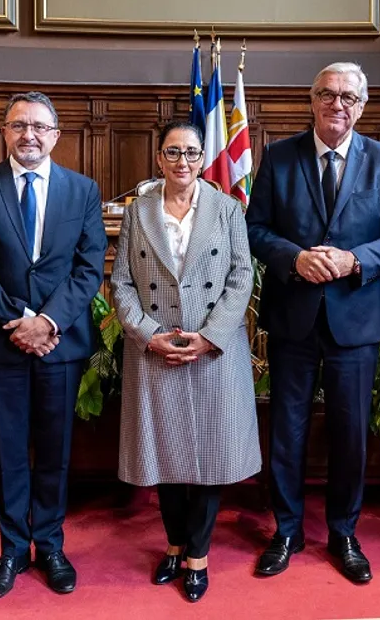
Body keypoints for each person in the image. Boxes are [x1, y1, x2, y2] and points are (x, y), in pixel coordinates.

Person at [247, 62, 380, 584]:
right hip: (294, 316)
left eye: (347, 96)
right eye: (326, 94)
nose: (336, 104)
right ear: (312, 101)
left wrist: (354, 261)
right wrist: (294, 258)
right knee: (287, 432)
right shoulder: (278, 156)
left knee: (349, 434)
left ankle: (343, 531)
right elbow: (254, 229)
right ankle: (287, 530)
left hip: (354, 321)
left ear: (362, 105)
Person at [0, 92, 107, 601]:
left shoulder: (82, 190)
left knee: (56, 453)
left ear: (56, 135)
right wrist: (18, 320)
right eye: (20, 125)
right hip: (3, 342)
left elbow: (89, 268)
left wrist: (48, 321)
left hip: (60, 344)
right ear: (5, 131)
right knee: (9, 451)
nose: (30, 135)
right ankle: (13, 550)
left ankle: (52, 545)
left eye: (40, 127)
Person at [111, 121, 261, 603]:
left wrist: (210, 336)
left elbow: (242, 276)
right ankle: (174, 545)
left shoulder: (227, 208)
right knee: (165, 457)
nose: (182, 161)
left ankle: (197, 555)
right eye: (173, 152)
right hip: (157, 349)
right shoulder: (138, 212)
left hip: (212, 351)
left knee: (211, 458)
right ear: (159, 158)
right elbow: (122, 285)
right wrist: (150, 336)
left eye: (191, 153)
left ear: (203, 159)